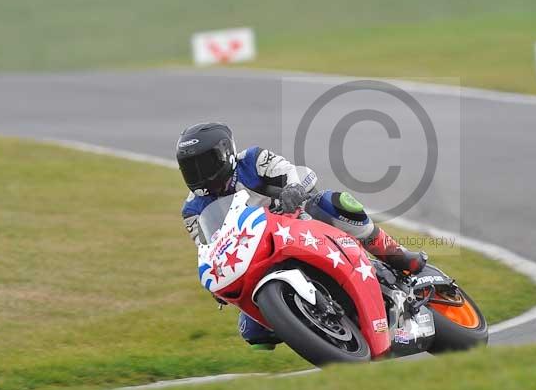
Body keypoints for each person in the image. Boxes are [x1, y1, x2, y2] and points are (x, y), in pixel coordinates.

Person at [176, 122, 427, 349]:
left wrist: (293, 188)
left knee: (334, 203)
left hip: (296, 224)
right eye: (190, 168)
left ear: (225, 154)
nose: (198, 173)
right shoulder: (192, 211)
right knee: (252, 332)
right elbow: (207, 246)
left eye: (205, 163)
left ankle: (398, 256)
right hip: (256, 257)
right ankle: (318, 330)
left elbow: (288, 171)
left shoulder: (253, 160)